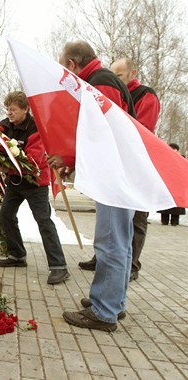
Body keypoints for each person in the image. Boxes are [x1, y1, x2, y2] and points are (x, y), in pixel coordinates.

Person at [48, 41, 137, 331]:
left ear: (73, 64)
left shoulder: (101, 84)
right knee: (120, 243)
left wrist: (69, 157)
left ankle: (104, 311)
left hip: (114, 174)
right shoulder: (104, 81)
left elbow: (102, 135)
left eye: (64, 67)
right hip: (120, 172)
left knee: (110, 243)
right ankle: (113, 301)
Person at [78, 57, 161, 282]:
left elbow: (140, 130)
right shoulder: (112, 88)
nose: (115, 79)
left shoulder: (146, 95)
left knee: (135, 219)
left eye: (120, 75)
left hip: (135, 164)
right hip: (114, 165)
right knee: (112, 225)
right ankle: (102, 260)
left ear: (133, 73)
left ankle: (131, 265)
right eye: (113, 74)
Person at [0, 91, 70, 285]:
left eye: (14, 110)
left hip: (35, 182)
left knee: (43, 221)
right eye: (8, 109)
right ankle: (17, 255)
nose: (9, 113)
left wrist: (5, 166)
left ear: (25, 109)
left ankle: (59, 266)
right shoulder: (4, 125)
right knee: (6, 215)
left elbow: (32, 160)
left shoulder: (36, 128)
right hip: (15, 182)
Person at [158, 143, 186, 226]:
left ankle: (174, 221)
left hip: (178, 184)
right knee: (165, 202)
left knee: (176, 204)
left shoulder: (181, 159)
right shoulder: (164, 158)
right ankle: (164, 220)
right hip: (167, 183)